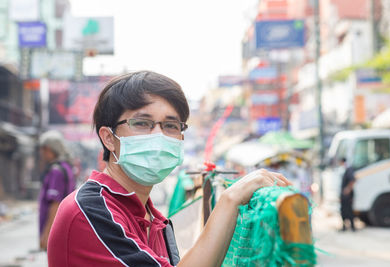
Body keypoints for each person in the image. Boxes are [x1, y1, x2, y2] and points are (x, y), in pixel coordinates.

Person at [47, 71, 291, 266]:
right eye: (142, 123)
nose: (159, 136)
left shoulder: (155, 219)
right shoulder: (90, 211)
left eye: (171, 126)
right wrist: (230, 200)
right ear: (109, 138)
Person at [38, 130, 76, 250]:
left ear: (49, 149)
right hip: (64, 228)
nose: (42, 154)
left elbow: (55, 204)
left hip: (56, 230)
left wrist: (46, 235)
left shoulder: (56, 171)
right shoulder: (66, 167)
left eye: (43, 150)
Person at [339, 158, 356, 232]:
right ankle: (345, 226)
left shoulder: (348, 169)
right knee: (344, 211)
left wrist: (348, 189)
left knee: (348, 210)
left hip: (347, 195)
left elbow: (352, 180)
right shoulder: (345, 169)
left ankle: (351, 226)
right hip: (345, 195)